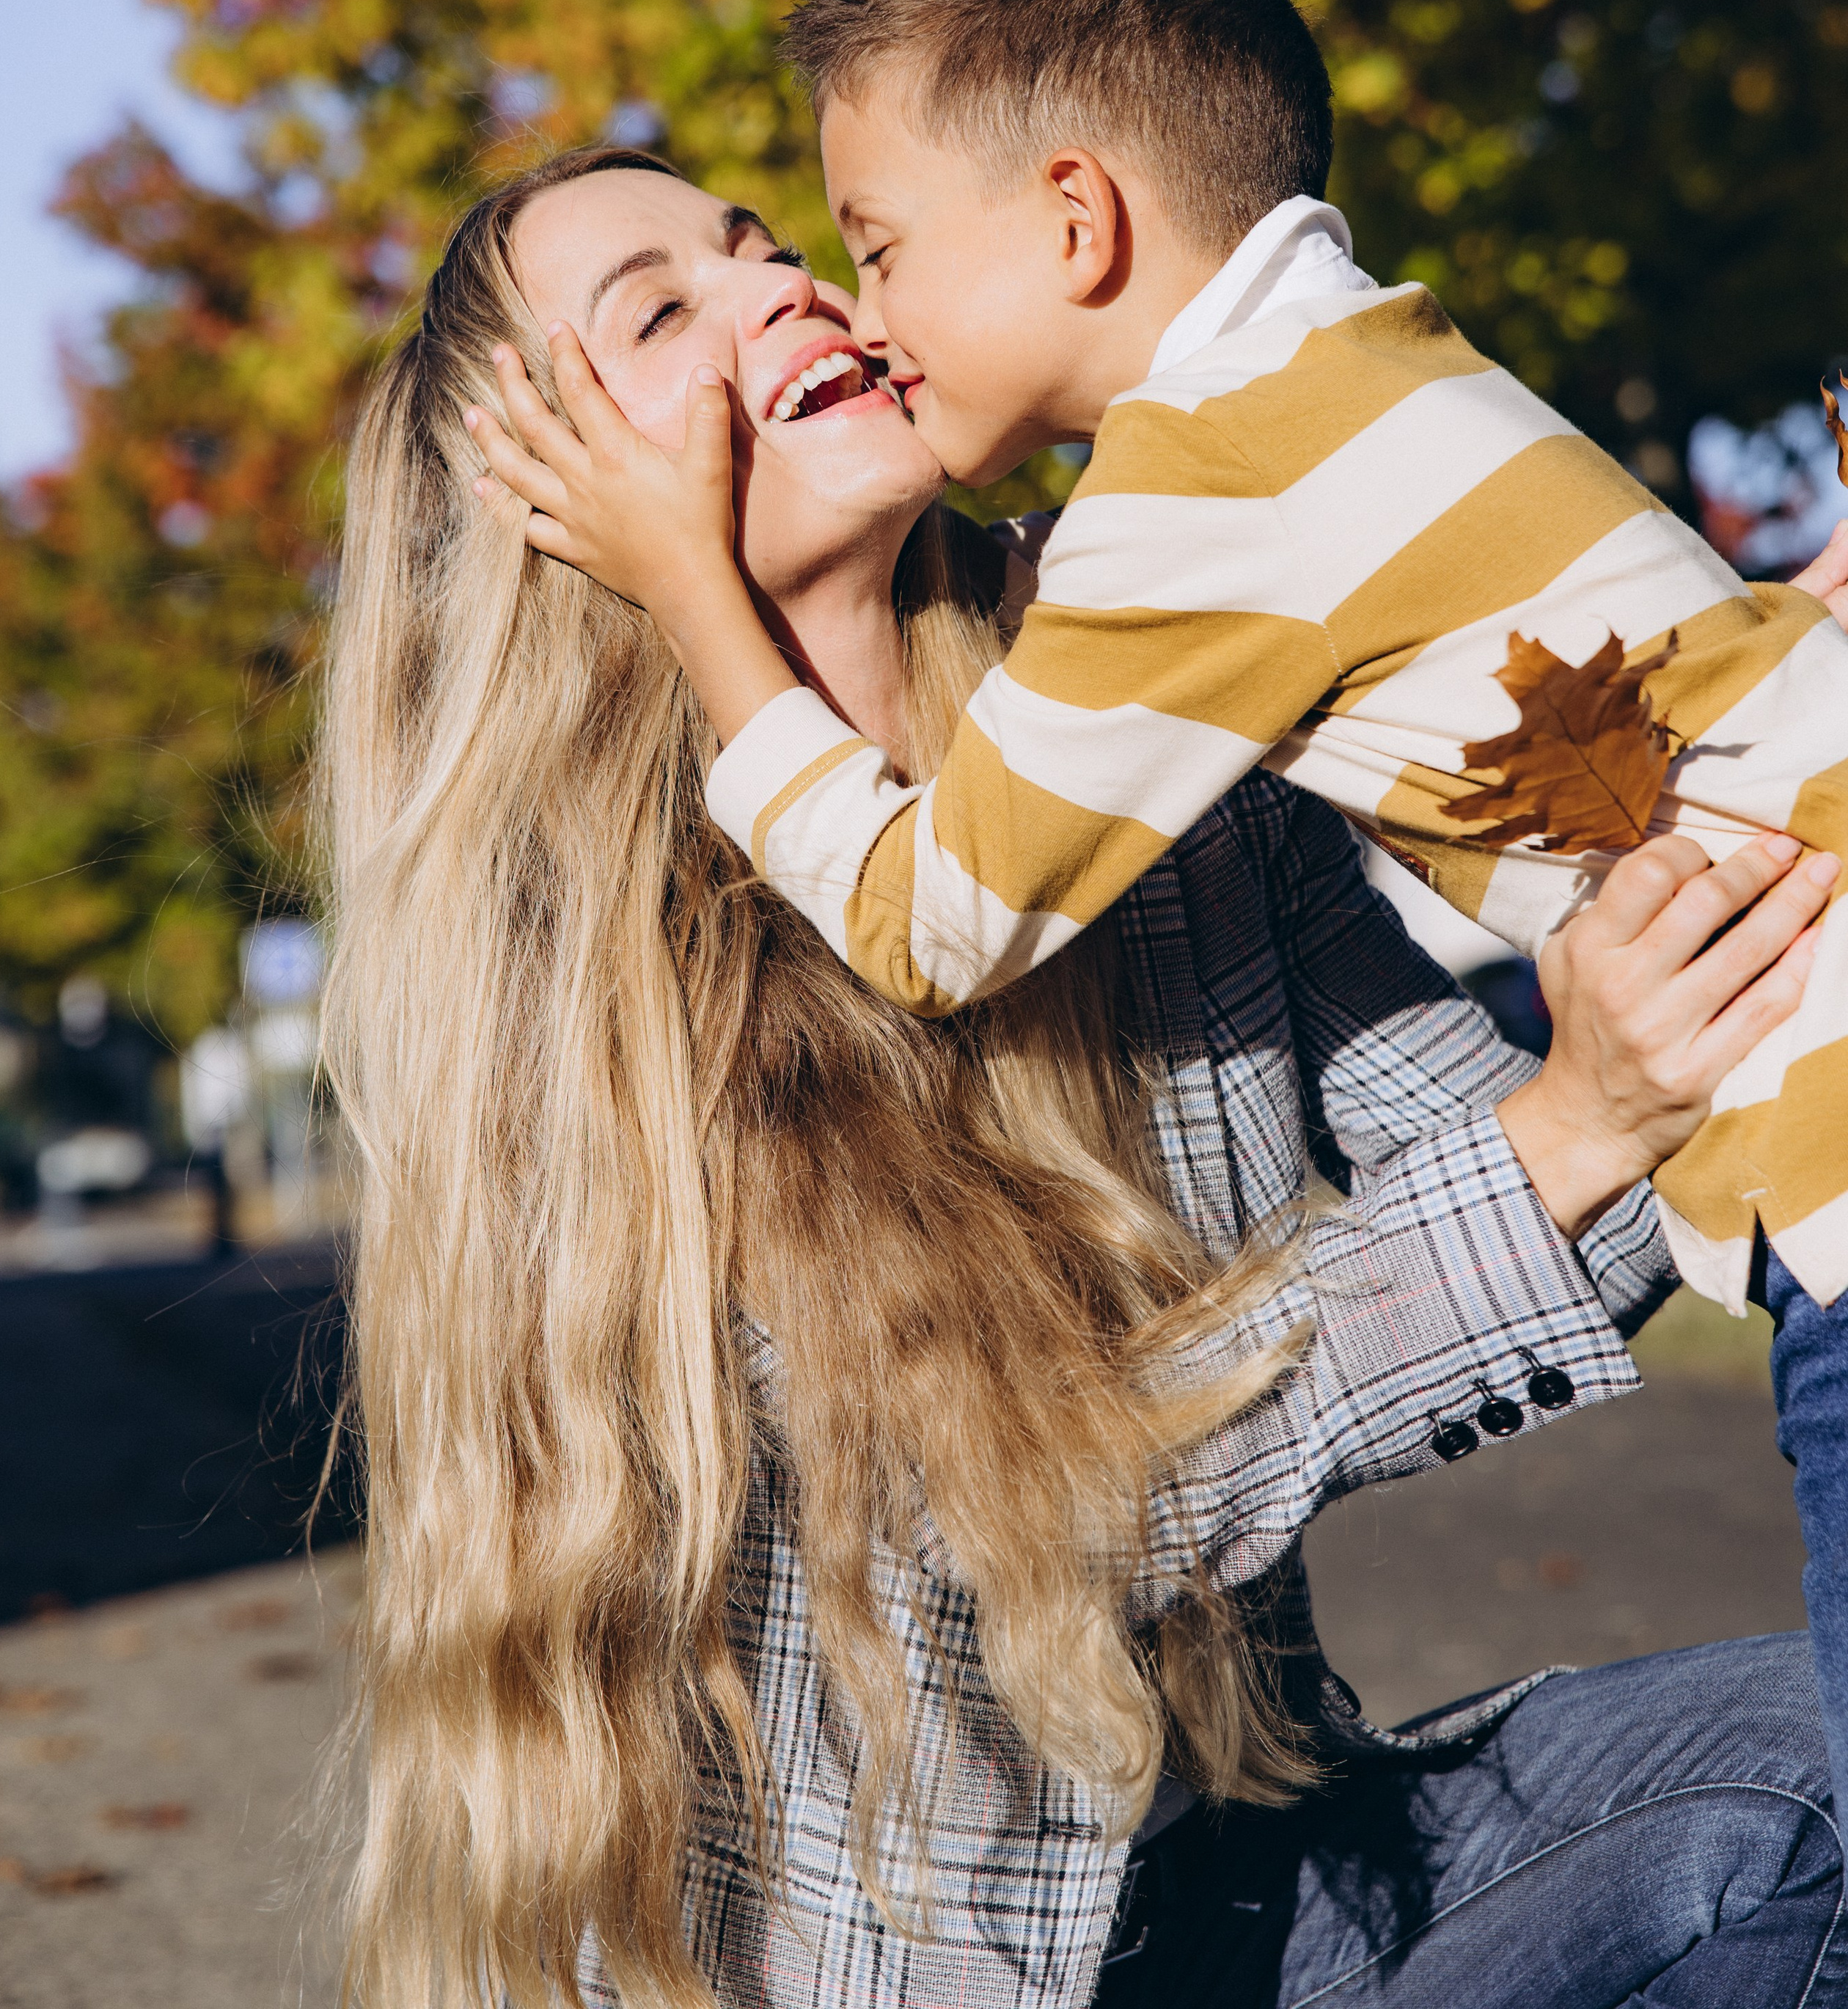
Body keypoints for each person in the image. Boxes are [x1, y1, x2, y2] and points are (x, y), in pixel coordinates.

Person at [334, 143, 1841, 2009]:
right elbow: (1029, 1528)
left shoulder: (1152, 755)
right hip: (946, 1975)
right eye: (660, 312)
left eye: (769, 246)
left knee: (1820, 1776)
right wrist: (1568, 1131)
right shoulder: (602, 1016)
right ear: (544, 510)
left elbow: (1542, 1180)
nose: (784, 287)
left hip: (1259, 1881)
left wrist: (1746, 763)